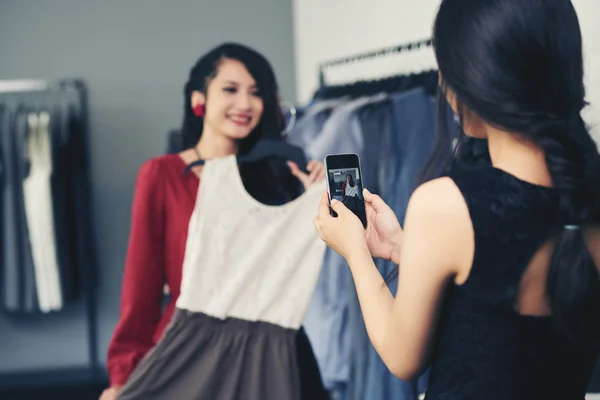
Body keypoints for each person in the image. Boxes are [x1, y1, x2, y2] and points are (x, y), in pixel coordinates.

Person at [314, 0, 600, 398]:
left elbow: (403, 357)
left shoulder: (448, 204)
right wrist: (404, 249)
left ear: (474, 75)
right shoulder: (588, 197)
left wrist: (355, 253)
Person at [100, 42, 327, 400]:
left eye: (256, 93)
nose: (245, 104)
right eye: (230, 90)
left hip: (272, 358)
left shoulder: (278, 177)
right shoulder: (163, 175)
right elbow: (139, 293)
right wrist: (122, 376)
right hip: (189, 355)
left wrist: (312, 193)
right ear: (198, 100)